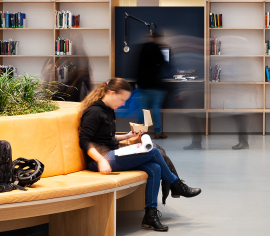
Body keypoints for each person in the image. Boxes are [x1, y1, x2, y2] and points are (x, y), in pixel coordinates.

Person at [79, 78, 201, 231]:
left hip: (111, 154)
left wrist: (127, 136)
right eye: (122, 99)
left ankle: (150, 216)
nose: (123, 104)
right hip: (100, 160)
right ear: (111, 92)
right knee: (153, 150)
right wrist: (101, 159)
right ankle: (176, 184)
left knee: (155, 168)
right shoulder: (94, 112)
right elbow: (84, 141)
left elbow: (107, 137)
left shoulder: (108, 110)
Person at [137, 29, 169, 139]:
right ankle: (158, 132)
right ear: (157, 38)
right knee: (156, 108)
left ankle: (139, 133)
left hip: (144, 84)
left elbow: (137, 65)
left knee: (142, 109)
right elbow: (164, 63)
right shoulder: (157, 48)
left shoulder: (143, 47)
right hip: (156, 85)